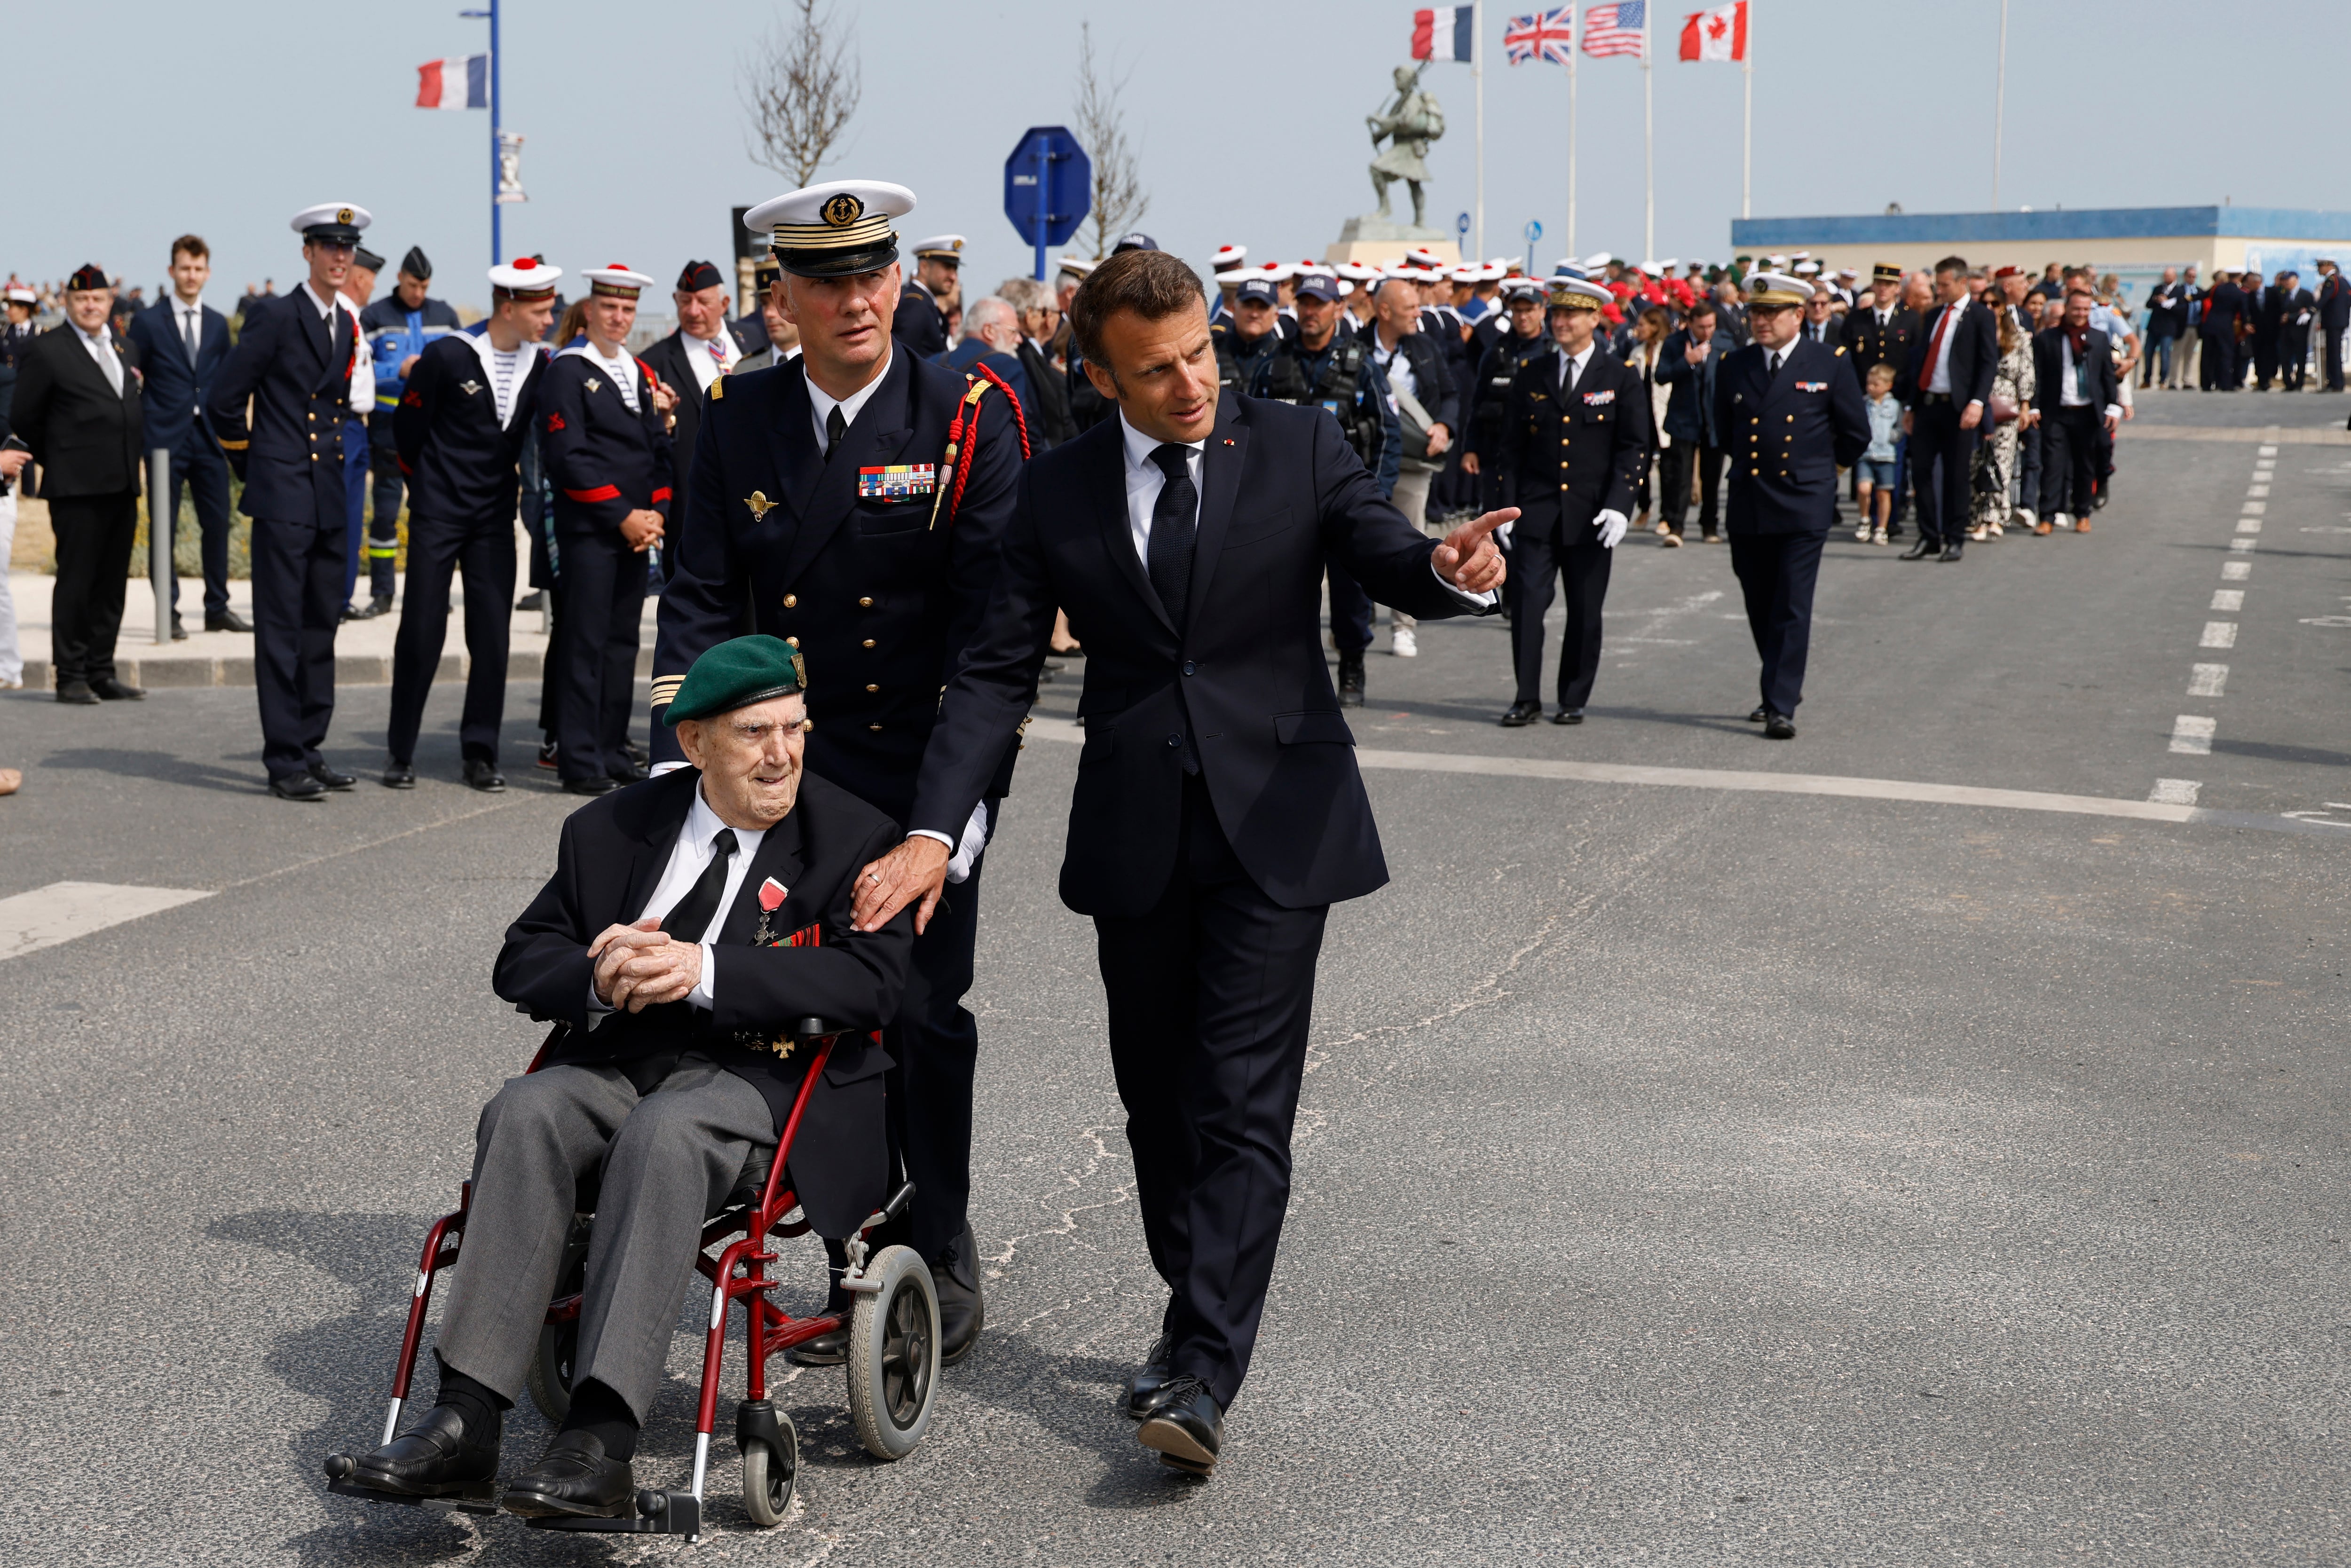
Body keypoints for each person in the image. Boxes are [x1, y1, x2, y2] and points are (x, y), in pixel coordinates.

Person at [847, 247, 1507, 1478]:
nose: (1193, 382)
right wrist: (936, 828)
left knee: (1241, 1098)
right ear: (1101, 378)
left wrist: (1449, 566)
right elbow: (993, 670)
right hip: (1138, 828)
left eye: (1201, 352)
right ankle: (1189, 1291)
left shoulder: (1300, 444)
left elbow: (1384, 548)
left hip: (1280, 820)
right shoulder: (1057, 493)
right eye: (1158, 371)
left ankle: (1204, 1366)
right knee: (1157, 1096)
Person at [338, 635, 915, 1520]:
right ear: (694, 745)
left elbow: (873, 981)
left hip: (765, 1084)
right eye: (755, 732)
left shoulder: (853, 836)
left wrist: (705, 970)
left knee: (666, 1135)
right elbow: (521, 958)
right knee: (525, 1109)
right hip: (622, 1060)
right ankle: (464, 1425)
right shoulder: (613, 828)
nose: (782, 754)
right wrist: (598, 978)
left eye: (795, 729)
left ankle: (601, 1444)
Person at [651, 179, 1025, 1371]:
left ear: (900, 283)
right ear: (785, 298)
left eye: (875, 275)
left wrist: (936, 831)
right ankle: (834, 1235)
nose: (856, 301)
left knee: (918, 1003)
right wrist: (697, 740)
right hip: (785, 758)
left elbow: (995, 645)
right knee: (785, 999)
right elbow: (703, 594)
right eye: (826, 281)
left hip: (924, 763)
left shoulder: (969, 412)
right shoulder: (736, 413)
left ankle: (940, 1231)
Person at [208, 205, 374, 796]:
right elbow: (224, 400)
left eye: (347, 247)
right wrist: (255, 466)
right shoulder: (276, 315)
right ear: (307, 252)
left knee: (320, 626)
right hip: (282, 494)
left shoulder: (346, 322)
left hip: (328, 492)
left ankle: (310, 744)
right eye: (328, 246)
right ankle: (284, 760)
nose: (339, 256)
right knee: (280, 630)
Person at [381, 258, 559, 791]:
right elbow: (406, 431)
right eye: (541, 309)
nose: (549, 318)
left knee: (491, 636)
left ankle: (480, 752)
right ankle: (400, 750)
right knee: (421, 631)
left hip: (493, 518)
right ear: (509, 306)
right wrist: (430, 486)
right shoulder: (448, 355)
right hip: (437, 513)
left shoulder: (543, 364)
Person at [1714, 272, 1869, 739]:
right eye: (1754, 313)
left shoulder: (1828, 361)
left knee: (1791, 603)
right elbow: (1725, 432)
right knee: (1758, 599)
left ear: (1797, 314)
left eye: (1769, 313)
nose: (1759, 321)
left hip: (1803, 500)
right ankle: (1778, 678)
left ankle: (1779, 702)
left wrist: (1820, 473)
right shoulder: (1733, 364)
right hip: (1748, 498)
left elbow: (1855, 434)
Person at [539, 265, 672, 796]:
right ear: (590, 310)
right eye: (610, 308)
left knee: (621, 645)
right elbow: (567, 457)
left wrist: (655, 513)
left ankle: (613, 747)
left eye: (628, 309)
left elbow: (655, 449)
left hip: (637, 532)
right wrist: (623, 515)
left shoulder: (635, 371)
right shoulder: (567, 370)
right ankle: (578, 757)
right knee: (584, 644)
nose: (619, 318)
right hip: (593, 531)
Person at [1494, 277, 1646, 727]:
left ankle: (1573, 695)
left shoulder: (1620, 376)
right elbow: (1511, 448)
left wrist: (1621, 504)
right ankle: (1526, 696)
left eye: (1571, 315)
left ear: (1595, 319)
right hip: (1537, 511)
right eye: (1556, 314)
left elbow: (1635, 447)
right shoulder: (1532, 373)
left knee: (1584, 610)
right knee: (1525, 604)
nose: (1560, 322)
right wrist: (1504, 506)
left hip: (1591, 515)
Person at [8, 264, 146, 705]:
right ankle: (70, 674)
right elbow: (26, 417)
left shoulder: (125, 348)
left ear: (111, 302)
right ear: (67, 302)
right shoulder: (48, 351)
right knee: (77, 582)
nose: (91, 306)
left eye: (99, 299)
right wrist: (62, 459)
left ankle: (101, 670)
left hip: (123, 484)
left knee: (111, 584)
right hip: (76, 488)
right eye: (82, 299)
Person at [127, 235, 245, 637]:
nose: (191, 276)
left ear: (207, 273)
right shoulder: (147, 321)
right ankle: (170, 614)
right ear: (171, 271)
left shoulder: (216, 323)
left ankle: (217, 608)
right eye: (184, 268)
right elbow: (131, 377)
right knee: (165, 525)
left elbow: (225, 380)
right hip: (163, 440)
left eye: (198, 269)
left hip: (209, 439)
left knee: (217, 524)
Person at [358, 248, 461, 618]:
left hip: (436, 428)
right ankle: (383, 592)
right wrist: (396, 369)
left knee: (436, 515)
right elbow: (359, 368)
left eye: (425, 286)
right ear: (400, 277)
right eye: (413, 285)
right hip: (390, 425)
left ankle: (434, 592)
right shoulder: (375, 315)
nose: (419, 293)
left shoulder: (445, 315)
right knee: (385, 513)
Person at [1360, 274, 1457, 667]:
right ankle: (1359, 612)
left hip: (1413, 463)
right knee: (1358, 535)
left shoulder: (1425, 346)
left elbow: (1450, 394)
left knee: (1411, 539)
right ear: (1385, 312)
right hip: (1365, 458)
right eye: (1410, 308)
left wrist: (1444, 426)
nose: (1419, 314)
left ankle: (1404, 624)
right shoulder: (1354, 348)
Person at [637, 260, 756, 541]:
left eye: (703, 302)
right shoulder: (654, 362)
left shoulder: (753, 339)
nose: (693, 311)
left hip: (759, 493)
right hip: (694, 505)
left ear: (725, 303)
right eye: (685, 301)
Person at [1897, 255, 1996, 562]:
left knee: (1956, 476)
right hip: (1928, 405)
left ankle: (1955, 538)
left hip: (1959, 409)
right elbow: (1921, 360)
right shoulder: (1935, 313)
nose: (1940, 291)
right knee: (1922, 473)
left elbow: (1987, 362)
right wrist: (1912, 405)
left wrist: (1977, 403)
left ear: (1962, 282)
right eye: (1937, 285)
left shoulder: (1980, 315)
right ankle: (1929, 537)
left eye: (1945, 285)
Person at [2032, 289, 2121, 536]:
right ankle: (2047, 517)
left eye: (2085, 309)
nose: (2080, 314)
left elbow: (2107, 376)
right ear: (2067, 310)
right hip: (2056, 412)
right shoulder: (2047, 338)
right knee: (2052, 465)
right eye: (2076, 309)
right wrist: (2035, 406)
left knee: (2085, 466)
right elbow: (2038, 375)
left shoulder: (2099, 338)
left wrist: (2113, 407)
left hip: (2088, 412)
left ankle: (2082, 514)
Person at [1459, 277, 1549, 517]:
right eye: (1518, 311)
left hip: (1539, 453)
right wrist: (1471, 449)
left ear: (1542, 311)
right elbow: (1478, 402)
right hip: (1496, 450)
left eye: (1529, 310)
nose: (1523, 317)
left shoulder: (1553, 351)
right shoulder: (1497, 351)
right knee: (1495, 522)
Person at [1654, 299, 1729, 547]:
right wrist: (1687, 362)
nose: (1707, 332)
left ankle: (1710, 526)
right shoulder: (1675, 343)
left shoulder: (1724, 342)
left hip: (1714, 421)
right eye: (1701, 327)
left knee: (1712, 477)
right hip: (1684, 418)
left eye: (1711, 326)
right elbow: (1661, 376)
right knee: (1680, 477)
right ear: (1690, 325)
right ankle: (1676, 526)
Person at [1968, 302, 2036, 542]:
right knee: (1977, 461)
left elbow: (2026, 371)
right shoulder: (1975, 332)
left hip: (2007, 406)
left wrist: (2026, 405)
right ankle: (1977, 518)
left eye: (1995, 304)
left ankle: (1996, 517)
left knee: (2002, 462)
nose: (1990, 307)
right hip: (1978, 404)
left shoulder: (2018, 336)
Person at [939, 295, 1036, 429]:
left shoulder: (934, 360)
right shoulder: (1008, 367)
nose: (1019, 339)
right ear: (989, 331)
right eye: (1013, 332)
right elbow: (1011, 429)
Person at [1001, 276, 1074, 449]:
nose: (1045, 319)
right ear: (1029, 315)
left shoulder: (1026, 352)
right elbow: (1031, 415)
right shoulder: (1021, 352)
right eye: (1041, 312)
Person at [892, 234, 962, 358]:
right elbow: (901, 357)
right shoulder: (915, 304)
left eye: (955, 269)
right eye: (947, 267)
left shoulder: (925, 303)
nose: (953, 277)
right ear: (924, 267)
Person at [1855, 363, 1901, 544]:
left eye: (1876, 385)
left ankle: (1882, 528)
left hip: (1886, 455)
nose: (1871, 388)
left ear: (1888, 386)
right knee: (1863, 488)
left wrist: (1893, 437)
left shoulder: (1894, 406)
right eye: (1869, 384)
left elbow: (1900, 427)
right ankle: (1865, 520)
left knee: (1883, 493)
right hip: (1866, 454)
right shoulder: (1863, 404)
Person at [2198, 269, 2248, 392]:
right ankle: (2226, 384)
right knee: (2226, 355)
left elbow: (2206, 296)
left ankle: (2206, 384)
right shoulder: (2240, 294)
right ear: (2240, 278)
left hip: (2210, 324)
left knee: (2207, 356)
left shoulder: (2217, 289)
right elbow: (2244, 313)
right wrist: (2245, 326)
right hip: (2226, 327)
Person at [2143, 267, 2186, 389]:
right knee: (2148, 352)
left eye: (2169, 276)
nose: (2166, 278)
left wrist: (2168, 304)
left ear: (2175, 277)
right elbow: (2148, 305)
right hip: (2154, 327)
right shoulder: (2158, 289)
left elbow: (2182, 311)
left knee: (2165, 354)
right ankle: (2147, 379)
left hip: (2168, 328)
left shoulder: (2180, 291)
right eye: (2165, 276)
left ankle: (2163, 380)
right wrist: (2157, 300)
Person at [2272, 270, 2314, 393]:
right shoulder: (2283, 294)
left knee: (2301, 358)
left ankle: (2299, 383)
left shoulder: (2305, 294)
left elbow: (2310, 311)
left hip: (2300, 331)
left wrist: (2292, 316)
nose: (2285, 283)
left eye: (2288, 280)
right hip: (2285, 331)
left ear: (2296, 280)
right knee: (2285, 358)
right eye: (2284, 281)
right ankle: (2288, 382)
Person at [2317, 259, 2349, 393]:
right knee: (2333, 353)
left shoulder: (2332, 281)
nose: (2319, 270)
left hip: (2333, 322)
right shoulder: (2343, 280)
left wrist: (2311, 311)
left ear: (2327, 266)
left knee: (2334, 353)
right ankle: (2334, 382)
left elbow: (2324, 299)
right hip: (2339, 321)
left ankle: (2336, 383)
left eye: (2320, 267)